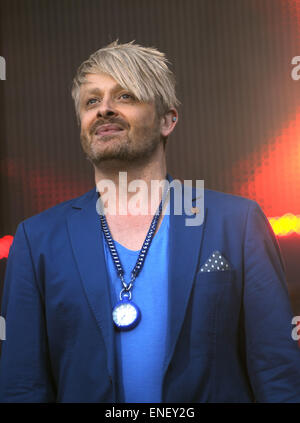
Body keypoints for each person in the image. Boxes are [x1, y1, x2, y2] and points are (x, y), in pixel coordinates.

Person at [0, 40, 300, 403]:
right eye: (91, 101)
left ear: (167, 120)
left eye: (125, 96)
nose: (104, 109)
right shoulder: (37, 239)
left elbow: (277, 373)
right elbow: (22, 384)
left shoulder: (237, 223)